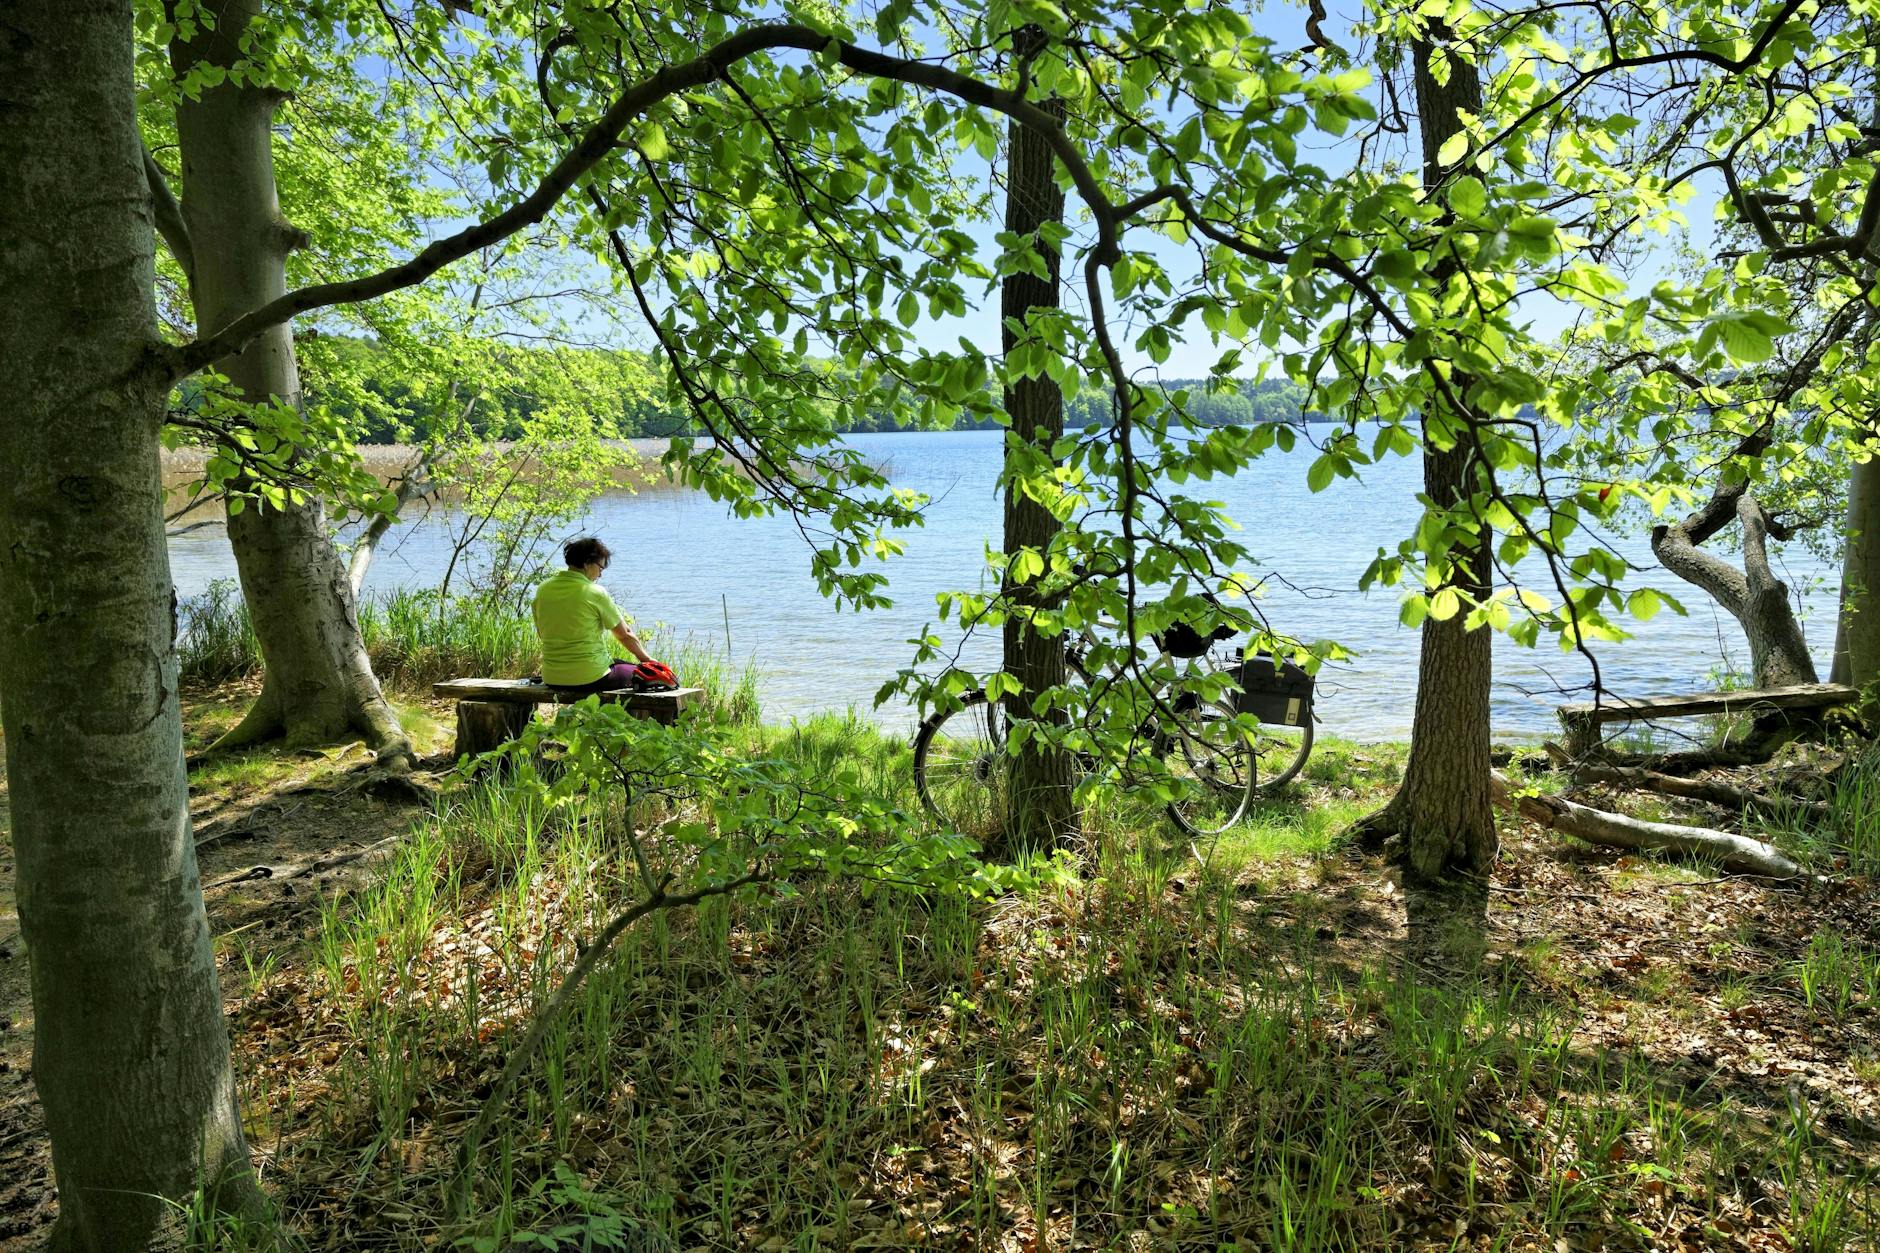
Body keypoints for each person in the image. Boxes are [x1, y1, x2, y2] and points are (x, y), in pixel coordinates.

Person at [532, 537, 662, 694]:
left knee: (618, 664)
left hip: (552, 678)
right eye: (601, 567)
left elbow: (541, 633)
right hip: (590, 678)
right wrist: (647, 660)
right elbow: (625, 634)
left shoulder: (543, 589)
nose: (600, 574)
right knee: (649, 675)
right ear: (587, 563)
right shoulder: (594, 592)